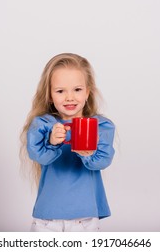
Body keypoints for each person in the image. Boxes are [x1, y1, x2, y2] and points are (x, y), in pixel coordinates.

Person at [20, 53, 115, 232]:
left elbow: (102, 161)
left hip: (85, 218)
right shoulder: (43, 125)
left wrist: (88, 151)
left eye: (77, 90)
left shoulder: (101, 126)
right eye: (60, 91)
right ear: (49, 95)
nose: (69, 97)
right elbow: (37, 155)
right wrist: (51, 140)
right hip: (48, 218)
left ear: (88, 92)